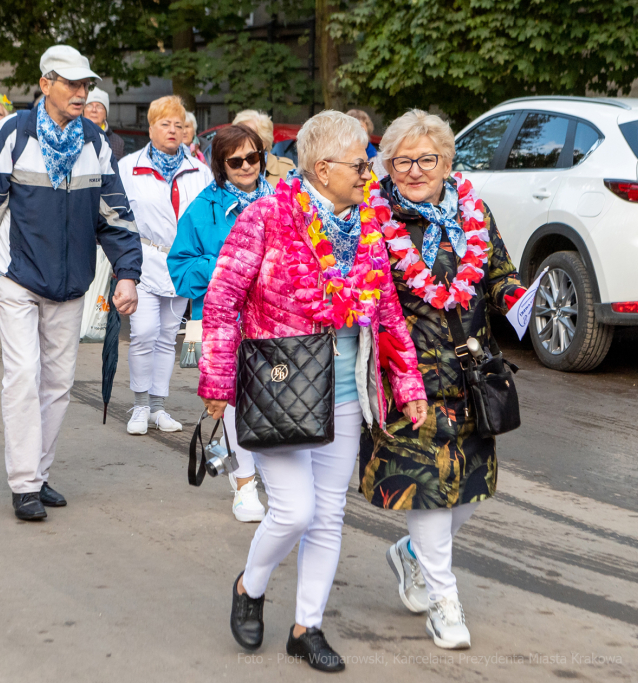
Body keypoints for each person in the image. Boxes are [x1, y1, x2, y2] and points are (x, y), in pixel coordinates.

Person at [198, 111, 427, 673]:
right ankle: (251, 587)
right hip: (279, 385)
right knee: (295, 511)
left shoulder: (371, 221)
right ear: (322, 169)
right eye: (359, 163)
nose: (369, 171)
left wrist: (407, 383)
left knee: (327, 516)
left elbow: (388, 311)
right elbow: (223, 299)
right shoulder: (267, 215)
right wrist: (218, 381)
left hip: (346, 389)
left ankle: (308, 626)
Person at [359, 109, 525, 650]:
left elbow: (497, 272)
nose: (413, 170)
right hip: (405, 376)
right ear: (387, 163)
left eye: (426, 159)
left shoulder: (473, 209)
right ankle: (443, 601)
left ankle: (409, 556)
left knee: (469, 492)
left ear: (447, 162)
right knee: (428, 490)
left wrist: (523, 302)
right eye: (402, 160)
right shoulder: (370, 214)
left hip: (471, 371)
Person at [0, 44, 142, 521]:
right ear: (46, 85)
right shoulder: (12, 133)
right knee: (23, 377)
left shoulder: (95, 141)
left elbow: (116, 214)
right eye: (72, 84)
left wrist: (127, 272)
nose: (81, 93)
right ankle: (23, 484)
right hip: (15, 276)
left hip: (70, 283)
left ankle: (37, 475)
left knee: (58, 383)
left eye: (86, 85)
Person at [169, 124, 273, 523]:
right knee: (232, 400)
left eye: (253, 157)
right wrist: (230, 268)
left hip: (275, 319)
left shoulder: (283, 201)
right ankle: (244, 484)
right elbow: (180, 268)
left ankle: (268, 475)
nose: (246, 166)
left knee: (271, 398)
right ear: (220, 165)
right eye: (236, 160)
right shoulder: (203, 207)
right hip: (224, 318)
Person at [117, 96, 211, 436]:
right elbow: (116, 217)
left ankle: (159, 406)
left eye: (179, 125)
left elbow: (207, 218)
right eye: (165, 124)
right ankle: (140, 405)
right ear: (151, 127)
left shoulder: (200, 171)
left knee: (168, 336)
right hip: (141, 259)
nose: (173, 131)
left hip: (183, 264)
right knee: (143, 333)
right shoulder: (128, 167)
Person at [232, 110, 295, 189]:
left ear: (263, 143)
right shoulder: (229, 166)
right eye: (237, 135)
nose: (241, 140)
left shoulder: (286, 169)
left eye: (248, 136)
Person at [84, 87, 124, 159]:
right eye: (89, 105)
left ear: (105, 115)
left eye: (99, 106)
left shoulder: (118, 142)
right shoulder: (74, 137)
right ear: (83, 112)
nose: (94, 110)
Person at [346, 108, 384, 175]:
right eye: (355, 131)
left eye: (363, 130)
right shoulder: (341, 159)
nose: (360, 135)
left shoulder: (379, 159)